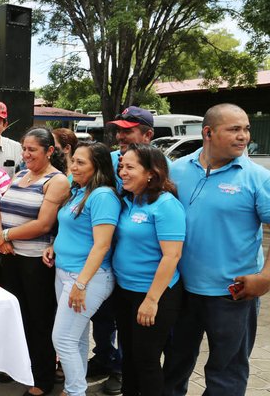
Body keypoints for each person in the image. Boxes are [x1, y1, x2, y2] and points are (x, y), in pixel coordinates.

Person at [163, 103, 270, 396]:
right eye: (234, 129)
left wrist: (266, 277)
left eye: (246, 129)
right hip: (180, 289)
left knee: (227, 370)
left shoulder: (257, 178)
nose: (244, 136)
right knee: (174, 363)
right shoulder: (177, 170)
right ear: (208, 132)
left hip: (232, 294)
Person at [0, 127, 70, 395]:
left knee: (40, 320)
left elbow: (43, 224)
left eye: (32, 150)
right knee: (20, 316)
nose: (25, 154)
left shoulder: (56, 180)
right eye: (24, 149)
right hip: (11, 256)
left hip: (36, 261)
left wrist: (5, 234)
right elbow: (0, 205)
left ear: (49, 151)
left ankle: (42, 379)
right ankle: (22, 367)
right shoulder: (21, 173)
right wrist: (1, 237)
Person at [43, 141, 120, 396]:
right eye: (72, 160)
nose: (73, 166)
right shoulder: (79, 190)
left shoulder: (103, 196)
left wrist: (81, 284)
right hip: (65, 272)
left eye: (80, 162)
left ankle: (75, 391)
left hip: (87, 277)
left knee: (62, 339)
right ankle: (74, 387)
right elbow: (70, 227)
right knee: (75, 337)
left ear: (97, 166)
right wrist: (55, 245)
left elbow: (102, 245)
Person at [90, 106, 157, 394]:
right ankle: (104, 357)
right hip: (106, 256)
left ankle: (121, 368)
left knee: (132, 328)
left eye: (127, 130)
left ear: (147, 134)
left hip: (140, 262)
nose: (120, 136)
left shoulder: (157, 166)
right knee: (103, 315)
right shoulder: (110, 161)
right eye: (118, 130)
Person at [112, 143, 185, 396]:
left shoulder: (166, 205)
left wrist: (152, 300)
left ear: (151, 173)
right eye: (122, 166)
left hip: (154, 296)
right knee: (129, 357)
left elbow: (172, 255)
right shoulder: (128, 200)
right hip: (124, 292)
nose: (123, 172)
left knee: (146, 361)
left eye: (130, 167)